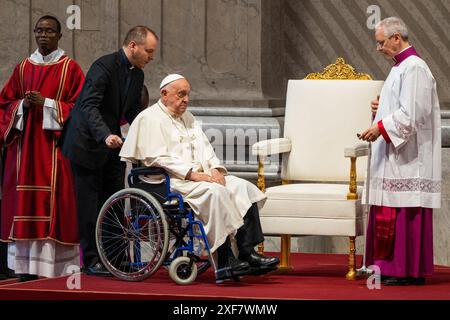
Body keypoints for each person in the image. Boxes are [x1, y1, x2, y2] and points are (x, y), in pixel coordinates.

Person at [120, 74, 280, 282]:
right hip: (171, 183)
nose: (186, 99)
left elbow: (206, 148)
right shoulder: (148, 118)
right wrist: (193, 174)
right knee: (216, 193)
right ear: (164, 94)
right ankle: (224, 261)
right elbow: (157, 158)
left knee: (242, 187)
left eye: (187, 94)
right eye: (181, 94)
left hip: (199, 178)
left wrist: (214, 169)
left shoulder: (189, 117)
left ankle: (247, 252)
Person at [60, 26, 158, 276]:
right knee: (90, 206)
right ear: (133, 46)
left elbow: (132, 112)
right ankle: (92, 260)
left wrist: (152, 132)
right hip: (86, 142)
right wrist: (105, 135)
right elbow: (88, 106)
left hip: (111, 143)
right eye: (149, 51)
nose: (151, 57)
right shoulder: (103, 66)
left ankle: (115, 257)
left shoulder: (137, 74)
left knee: (114, 202)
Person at [0, 15, 85, 281]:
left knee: (55, 204)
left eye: (49, 31)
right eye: (39, 31)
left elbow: (81, 108)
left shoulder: (69, 68)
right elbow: (5, 104)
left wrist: (47, 104)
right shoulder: (23, 68)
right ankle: (24, 268)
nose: (43, 35)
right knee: (23, 203)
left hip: (54, 150)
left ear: (60, 35)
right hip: (23, 153)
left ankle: (53, 269)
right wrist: (22, 107)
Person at [359, 17, 441, 286]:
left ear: (397, 38)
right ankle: (388, 266)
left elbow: (413, 115)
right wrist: (380, 106)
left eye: (381, 42)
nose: (379, 48)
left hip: (409, 157)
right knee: (390, 209)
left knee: (404, 212)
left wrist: (379, 127)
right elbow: (402, 105)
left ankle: (407, 270)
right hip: (395, 155)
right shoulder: (400, 68)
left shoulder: (415, 67)